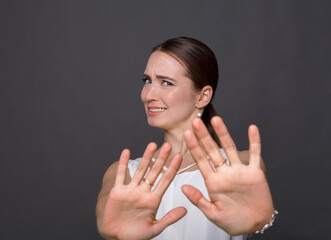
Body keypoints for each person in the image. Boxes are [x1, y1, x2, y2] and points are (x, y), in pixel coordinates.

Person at [95, 37, 276, 240]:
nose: (148, 95)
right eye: (147, 80)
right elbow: (105, 215)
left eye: (166, 82)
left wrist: (260, 222)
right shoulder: (124, 174)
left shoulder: (243, 166)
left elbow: (256, 212)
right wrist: (111, 226)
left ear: (202, 97)